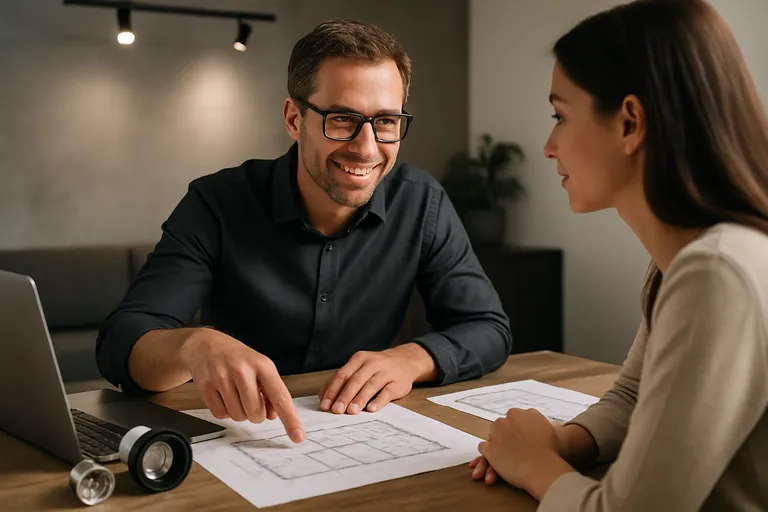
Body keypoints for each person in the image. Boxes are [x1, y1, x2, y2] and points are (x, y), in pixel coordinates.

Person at [96, 19, 511, 444]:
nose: (366, 148)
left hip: (364, 438)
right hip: (236, 441)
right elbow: (120, 342)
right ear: (294, 119)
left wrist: (412, 359)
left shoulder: (423, 202)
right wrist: (192, 344)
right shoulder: (216, 203)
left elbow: (487, 327)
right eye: (343, 119)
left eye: (386, 121)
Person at [469, 0, 768, 509]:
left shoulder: (715, 270)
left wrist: (536, 465)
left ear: (630, 122)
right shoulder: (686, 257)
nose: (547, 145)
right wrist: (560, 441)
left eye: (559, 115)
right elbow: (633, 394)